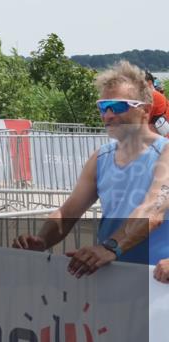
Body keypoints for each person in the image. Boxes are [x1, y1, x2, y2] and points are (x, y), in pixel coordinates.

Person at [13, 61, 169, 275]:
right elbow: (68, 211)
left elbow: (153, 210)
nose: (108, 115)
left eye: (118, 106)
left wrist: (109, 248)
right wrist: (42, 239)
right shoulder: (101, 157)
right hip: (113, 275)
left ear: (145, 110)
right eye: (103, 107)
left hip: (157, 281)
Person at [145, 71, 168, 136]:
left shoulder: (154, 96)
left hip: (158, 135)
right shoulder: (158, 95)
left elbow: (143, 120)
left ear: (149, 83)